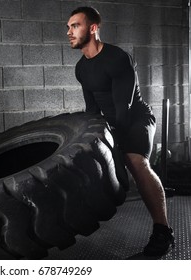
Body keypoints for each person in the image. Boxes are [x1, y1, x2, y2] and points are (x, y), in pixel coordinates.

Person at [66, 6, 175, 256]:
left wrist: (114, 141)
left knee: (136, 163)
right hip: (112, 121)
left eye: (75, 26)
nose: (69, 32)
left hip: (137, 118)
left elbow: (123, 106)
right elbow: (92, 109)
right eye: (68, 27)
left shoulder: (117, 57)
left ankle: (163, 232)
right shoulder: (81, 68)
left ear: (93, 28)